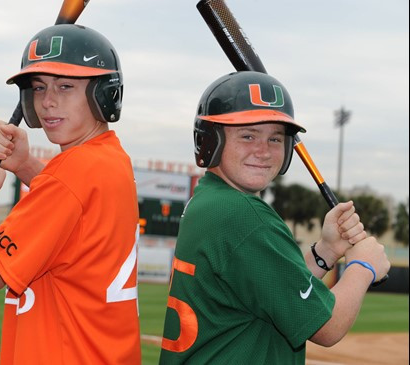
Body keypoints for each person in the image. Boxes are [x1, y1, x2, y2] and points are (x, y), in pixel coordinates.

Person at [159, 71, 390, 364]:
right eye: (248, 135)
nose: (263, 151)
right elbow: (326, 327)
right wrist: (363, 266)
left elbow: (272, 290)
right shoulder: (244, 216)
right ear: (211, 139)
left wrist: (326, 251)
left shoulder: (209, 200)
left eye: (275, 138)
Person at [0, 24, 141, 364]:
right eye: (40, 87)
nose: (47, 101)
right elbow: (74, 207)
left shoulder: (70, 174)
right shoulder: (111, 159)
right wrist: (27, 165)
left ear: (104, 93)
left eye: (66, 86)